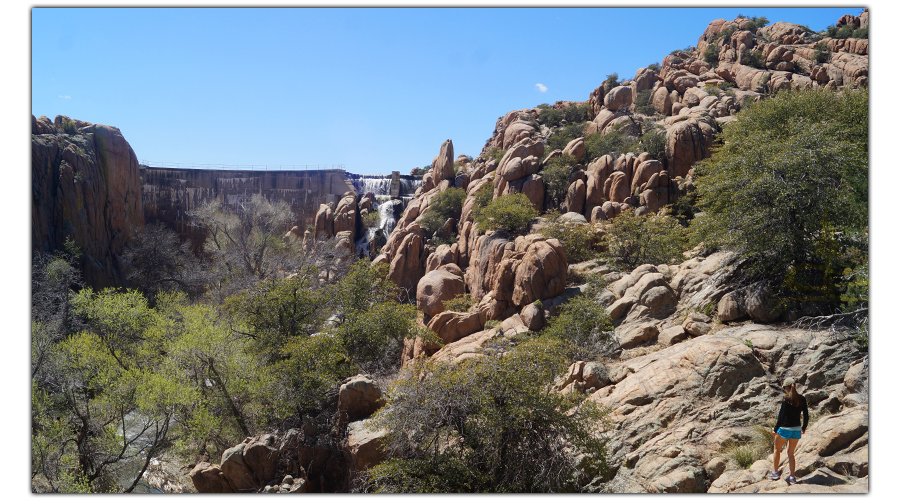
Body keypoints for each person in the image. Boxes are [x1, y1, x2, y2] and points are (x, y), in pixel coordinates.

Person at [767, 377, 809, 485]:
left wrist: (776, 429)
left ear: (787, 387)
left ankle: (775, 473)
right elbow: (806, 415)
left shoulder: (786, 398)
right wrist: (803, 428)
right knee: (791, 453)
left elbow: (781, 415)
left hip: (785, 428)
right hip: (796, 429)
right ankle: (792, 477)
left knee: (776, 449)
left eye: (785, 387)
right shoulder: (802, 399)